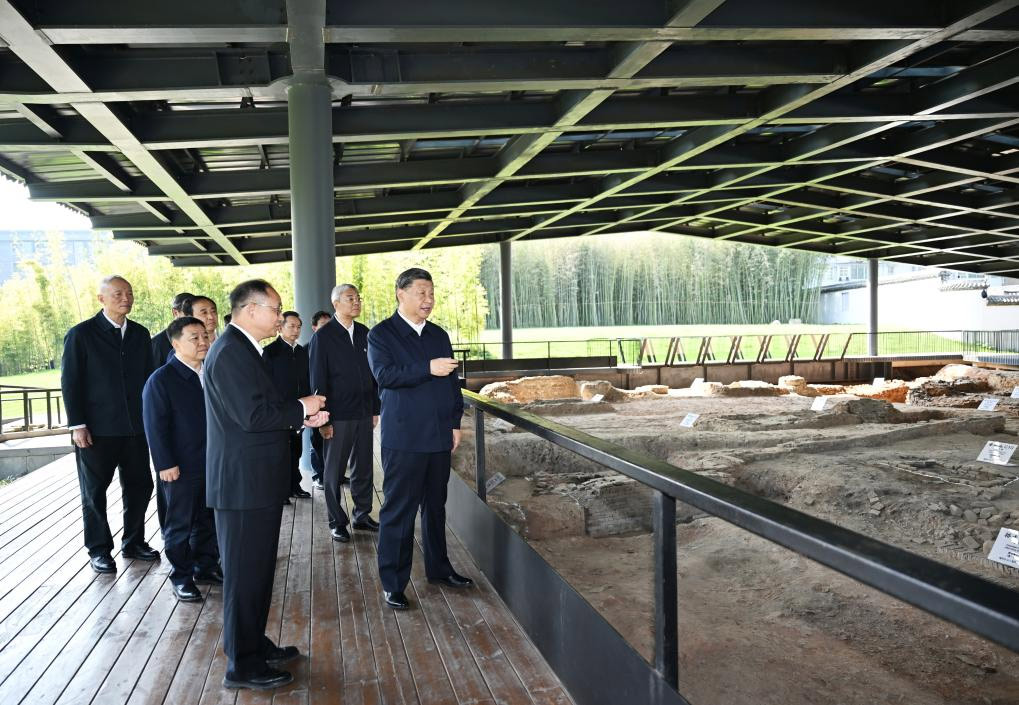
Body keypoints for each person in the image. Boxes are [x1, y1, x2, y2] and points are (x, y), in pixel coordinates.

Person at [204, 279, 327, 690]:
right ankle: (242, 665)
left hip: (254, 481)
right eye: (275, 310)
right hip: (242, 486)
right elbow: (251, 418)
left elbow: (264, 409)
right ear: (249, 310)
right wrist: (301, 407)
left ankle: (252, 644)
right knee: (244, 576)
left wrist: (301, 418)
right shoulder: (229, 353)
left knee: (256, 573)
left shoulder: (243, 350)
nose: (280, 317)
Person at [367, 268, 471, 611]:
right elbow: (385, 376)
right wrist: (427, 367)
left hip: (439, 436)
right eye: (421, 293)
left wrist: (455, 422)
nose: (428, 300)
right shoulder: (382, 334)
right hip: (405, 438)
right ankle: (393, 583)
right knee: (399, 511)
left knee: (435, 508)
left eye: (431, 293)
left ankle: (439, 569)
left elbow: (451, 382)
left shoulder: (438, 334)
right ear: (401, 293)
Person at [61, 275, 158, 574]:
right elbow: (71, 382)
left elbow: (149, 380)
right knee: (94, 492)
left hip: (136, 429)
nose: (125, 298)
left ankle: (134, 542)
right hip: (96, 431)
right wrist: (78, 425)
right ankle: (99, 549)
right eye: (117, 294)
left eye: (128, 293)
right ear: (101, 298)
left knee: (141, 486)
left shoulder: (141, 334)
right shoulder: (81, 334)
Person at [142, 316, 221, 602]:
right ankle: (181, 577)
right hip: (180, 467)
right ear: (175, 344)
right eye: (194, 338)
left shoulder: (211, 373)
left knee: (208, 519)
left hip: (212, 462)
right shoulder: (161, 380)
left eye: (204, 336)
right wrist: (165, 464)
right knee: (179, 525)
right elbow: (155, 426)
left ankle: (206, 566)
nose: (203, 342)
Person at [310, 285, 380, 544]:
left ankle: (362, 515)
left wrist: (375, 409)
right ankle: (336, 521)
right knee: (334, 471)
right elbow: (317, 380)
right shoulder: (323, 337)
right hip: (337, 415)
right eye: (351, 298)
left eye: (358, 298)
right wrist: (324, 419)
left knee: (364, 467)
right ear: (336, 303)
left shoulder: (365, 333)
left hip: (363, 412)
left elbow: (373, 375)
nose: (357, 302)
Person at [264, 311, 313, 500]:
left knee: (296, 449)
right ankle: (281, 489)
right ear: (280, 327)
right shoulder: (270, 352)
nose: (296, 330)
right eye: (291, 326)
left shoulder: (302, 352)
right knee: (280, 451)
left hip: (299, 408)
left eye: (299, 326)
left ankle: (295, 485)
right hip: (279, 410)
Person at [307, 310, 332, 490]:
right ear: (314, 328)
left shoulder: (335, 346)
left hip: (332, 402)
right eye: (324, 326)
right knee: (317, 441)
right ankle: (319, 475)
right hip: (313, 403)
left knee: (332, 443)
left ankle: (332, 474)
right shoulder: (308, 347)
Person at [151, 291, 194, 369]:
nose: (194, 318)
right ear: (175, 313)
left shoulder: (202, 337)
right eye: (189, 313)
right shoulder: (158, 343)